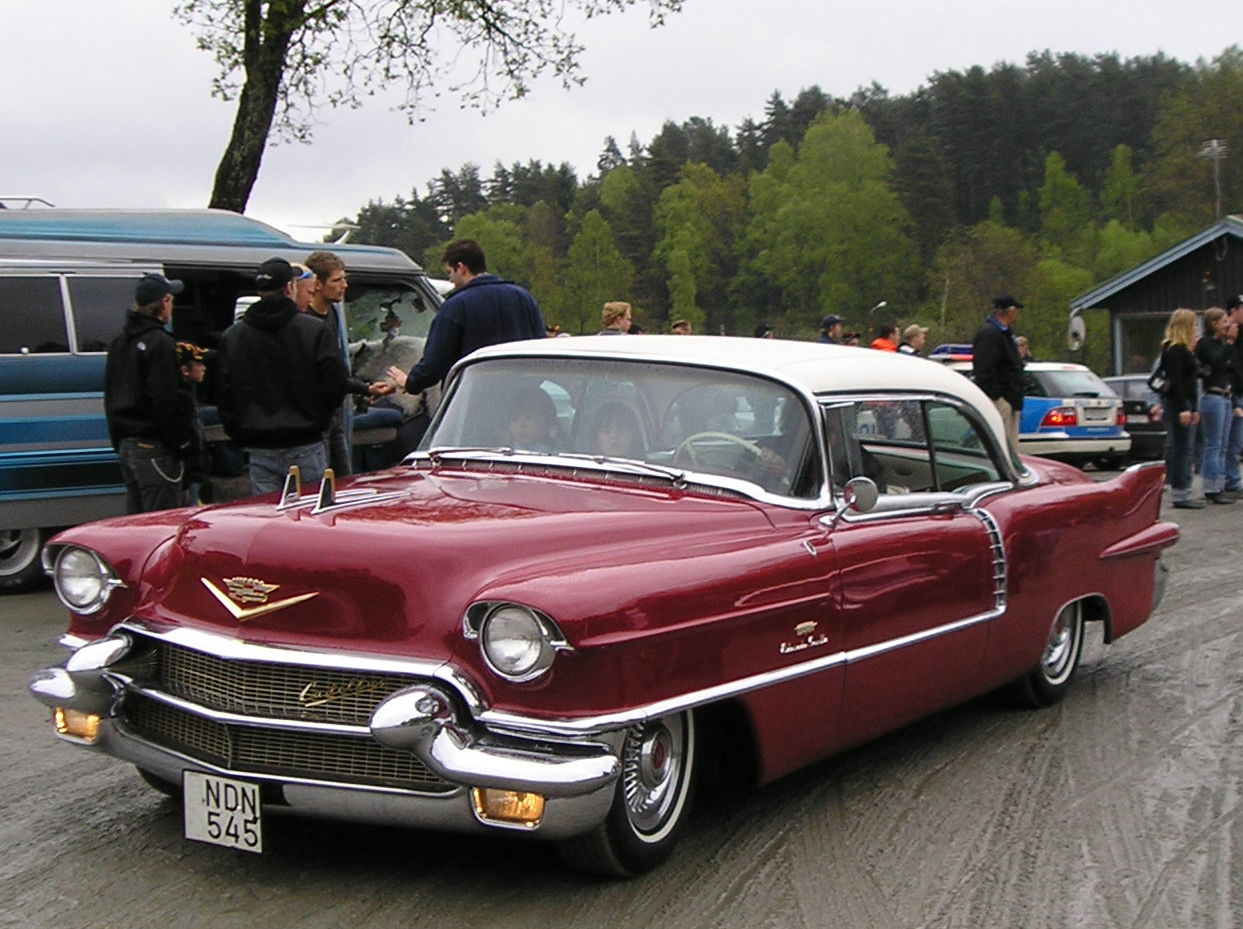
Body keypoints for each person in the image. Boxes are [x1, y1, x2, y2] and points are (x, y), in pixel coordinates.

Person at [217, 257, 348, 494]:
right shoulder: (313, 330)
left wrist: (239, 430)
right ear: (290, 287)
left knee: (270, 519)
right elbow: (334, 384)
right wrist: (320, 419)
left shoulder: (233, 336)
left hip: (259, 445)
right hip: (305, 440)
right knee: (309, 516)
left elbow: (225, 392)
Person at [376, 239, 546, 396]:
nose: (450, 278)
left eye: (450, 272)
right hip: (524, 395)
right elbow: (541, 347)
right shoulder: (524, 298)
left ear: (461, 268)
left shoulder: (456, 306)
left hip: (475, 397)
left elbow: (435, 363)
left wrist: (411, 382)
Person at [104, 273, 193, 513]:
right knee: (160, 523)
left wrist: (118, 440)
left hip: (127, 444)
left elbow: (110, 396)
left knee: (134, 521)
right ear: (165, 302)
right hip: (155, 447)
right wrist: (182, 445)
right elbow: (165, 399)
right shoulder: (160, 343)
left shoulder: (119, 343)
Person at [306, 250, 369, 476]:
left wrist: (364, 388)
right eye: (337, 280)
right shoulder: (306, 322)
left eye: (344, 278)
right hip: (315, 415)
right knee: (320, 481)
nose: (344, 285)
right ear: (318, 285)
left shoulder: (332, 312)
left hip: (335, 412)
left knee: (343, 478)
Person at [1157, 309, 1203, 509]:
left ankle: (1184, 489)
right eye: (1193, 324)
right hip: (1177, 404)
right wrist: (1184, 407)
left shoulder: (1186, 350)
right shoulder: (1174, 350)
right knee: (1180, 448)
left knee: (1186, 447)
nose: (1195, 328)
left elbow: (1192, 381)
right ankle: (1179, 492)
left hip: (1188, 403)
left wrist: (1195, 407)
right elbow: (1177, 381)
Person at [972, 295, 1026, 451]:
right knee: (1002, 449)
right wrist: (997, 397)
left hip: (1010, 397)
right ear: (1010, 311)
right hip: (1001, 400)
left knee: (1011, 448)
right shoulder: (990, 334)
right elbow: (984, 368)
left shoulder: (1003, 333)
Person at [1195, 306, 1236, 504]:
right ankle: (1211, 487)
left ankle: (1219, 484)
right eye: (1224, 321)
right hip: (1212, 397)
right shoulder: (1205, 344)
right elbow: (1218, 361)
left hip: (1225, 396)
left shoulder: (1221, 344)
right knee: (1214, 443)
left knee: (1223, 445)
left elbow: (1229, 365)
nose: (1227, 325)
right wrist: (1229, 342)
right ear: (1214, 324)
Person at [175, 341, 212, 505]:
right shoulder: (181, 399)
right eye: (199, 364)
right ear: (185, 370)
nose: (204, 368)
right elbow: (188, 439)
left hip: (197, 473)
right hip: (191, 477)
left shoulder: (189, 393)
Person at [1223, 295, 1243, 497]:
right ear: (1233, 310)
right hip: (1230, 392)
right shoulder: (1227, 335)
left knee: (1237, 442)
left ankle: (1232, 478)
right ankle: (1229, 480)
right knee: (1228, 442)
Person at [505, 386, 559, 452]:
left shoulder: (555, 454)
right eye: (514, 419)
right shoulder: (502, 451)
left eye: (528, 418)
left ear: (546, 423)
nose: (521, 425)